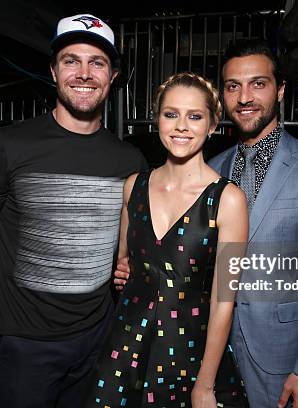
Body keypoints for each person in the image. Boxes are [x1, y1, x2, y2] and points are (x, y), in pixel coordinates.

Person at [0, 14, 147, 408]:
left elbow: (133, 243)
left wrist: (130, 265)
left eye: (97, 63)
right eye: (71, 60)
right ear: (53, 71)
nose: (84, 73)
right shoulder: (8, 144)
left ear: (112, 78)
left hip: (99, 337)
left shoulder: (130, 160)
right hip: (27, 346)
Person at [86, 72, 249, 408]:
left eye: (195, 116)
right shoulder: (134, 186)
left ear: (213, 124)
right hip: (127, 342)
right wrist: (123, 269)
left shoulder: (228, 199)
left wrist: (204, 385)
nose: (181, 126)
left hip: (188, 348)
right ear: (157, 118)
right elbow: (125, 260)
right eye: (171, 114)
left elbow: (224, 300)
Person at [208, 40, 298, 408]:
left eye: (258, 83)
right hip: (213, 347)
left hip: (281, 353)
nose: (244, 98)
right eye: (233, 86)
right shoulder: (211, 169)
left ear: (280, 89)